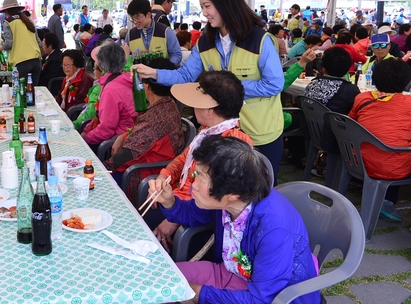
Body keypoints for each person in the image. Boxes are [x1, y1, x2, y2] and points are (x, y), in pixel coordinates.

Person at [135, 0, 284, 181]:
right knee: (225, 193)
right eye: (202, 7)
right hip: (222, 133)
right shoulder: (206, 42)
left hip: (259, 132)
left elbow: (274, 84)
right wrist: (154, 73)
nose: (204, 14)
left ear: (225, 3)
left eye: (207, 6)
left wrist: (229, 89)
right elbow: (186, 75)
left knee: (259, 194)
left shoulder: (259, 39)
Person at [149, 135, 319, 304]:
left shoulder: (274, 228)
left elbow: (259, 299)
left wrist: (197, 294)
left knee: (174, 291)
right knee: (158, 280)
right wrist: (169, 202)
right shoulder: (233, 198)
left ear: (233, 194)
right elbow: (193, 213)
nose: (194, 184)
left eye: (201, 177)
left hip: (272, 296)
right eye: (197, 174)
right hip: (231, 273)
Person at [152, 70, 253, 248]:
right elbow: (182, 160)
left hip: (201, 220)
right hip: (180, 204)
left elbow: (214, 200)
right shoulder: (207, 131)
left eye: (196, 102)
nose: (192, 106)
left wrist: (173, 219)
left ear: (210, 110)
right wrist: (163, 177)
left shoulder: (233, 145)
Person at [106, 58, 184, 196]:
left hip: (142, 175)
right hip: (154, 168)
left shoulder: (155, 118)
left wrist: (103, 167)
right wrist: (123, 136)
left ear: (146, 85)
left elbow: (127, 155)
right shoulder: (168, 105)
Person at [349, 58, 411, 221]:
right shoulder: (408, 103)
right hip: (394, 168)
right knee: (397, 150)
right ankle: (387, 202)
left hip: (357, 162)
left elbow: (349, 123)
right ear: (406, 81)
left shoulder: (362, 98)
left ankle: (385, 201)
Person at [304, 47, 360, 178]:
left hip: (313, 132)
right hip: (337, 139)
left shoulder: (312, 84)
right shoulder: (350, 90)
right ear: (348, 70)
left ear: (323, 68)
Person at [82, 43, 137, 151]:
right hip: (127, 134)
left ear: (101, 65)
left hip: (117, 142)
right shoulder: (125, 78)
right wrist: (87, 129)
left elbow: (106, 130)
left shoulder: (111, 89)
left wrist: (85, 139)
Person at [0, 0, 42, 83]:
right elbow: (39, 42)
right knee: (32, 91)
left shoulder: (8, 22)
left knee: (21, 92)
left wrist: (0, 48)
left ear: (6, 12)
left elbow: (9, 44)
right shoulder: (29, 21)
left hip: (21, 62)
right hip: (36, 60)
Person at [124, 0, 183, 65]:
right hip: (139, 74)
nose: (135, 22)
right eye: (132, 18)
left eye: (137, 18)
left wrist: (168, 68)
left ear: (148, 15)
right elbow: (125, 57)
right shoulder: (130, 35)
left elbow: (176, 54)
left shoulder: (165, 31)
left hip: (161, 74)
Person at [72, 62, 102, 131]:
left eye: (94, 69)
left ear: (101, 71)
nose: (93, 71)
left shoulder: (98, 88)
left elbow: (91, 111)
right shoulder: (97, 85)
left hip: (86, 125)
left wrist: (75, 124)